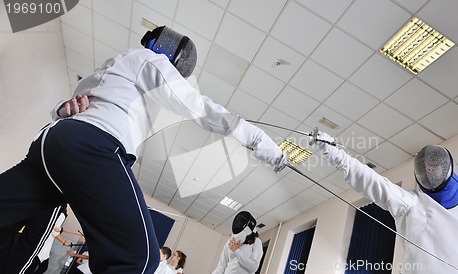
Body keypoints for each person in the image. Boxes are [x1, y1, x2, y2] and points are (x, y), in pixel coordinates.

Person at [0, 25, 285, 274]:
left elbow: (69, 108)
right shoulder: (151, 60)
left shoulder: (114, 67)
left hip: (51, 145)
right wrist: (257, 138)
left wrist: (61, 110)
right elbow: (197, 106)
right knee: (139, 260)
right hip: (91, 147)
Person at [315, 132, 458, 273]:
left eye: (436, 170)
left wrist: (334, 152)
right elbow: (372, 182)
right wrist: (334, 152)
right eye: (429, 170)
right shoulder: (412, 204)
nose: (432, 173)